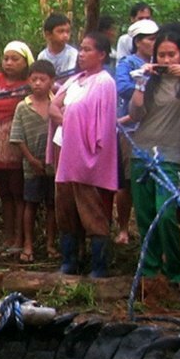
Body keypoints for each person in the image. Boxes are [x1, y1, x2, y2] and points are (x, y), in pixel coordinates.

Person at [127, 25, 180, 287]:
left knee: (165, 213)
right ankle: (150, 267)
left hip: (171, 154)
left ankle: (175, 268)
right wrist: (141, 82)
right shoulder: (149, 80)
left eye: (172, 55)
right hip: (142, 151)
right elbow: (135, 114)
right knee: (144, 214)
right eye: (161, 55)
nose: (166, 61)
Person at [49, 32, 117, 277]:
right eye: (81, 49)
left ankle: (99, 265)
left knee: (90, 208)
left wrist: (68, 116)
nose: (81, 54)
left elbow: (100, 123)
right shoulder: (75, 80)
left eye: (88, 49)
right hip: (64, 150)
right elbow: (54, 107)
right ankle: (70, 261)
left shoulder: (104, 82)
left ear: (101, 54)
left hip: (87, 155)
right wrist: (67, 116)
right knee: (65, 206)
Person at [114, 18, 160, 246]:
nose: (154, 42)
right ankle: (123, 227)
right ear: (138, 42)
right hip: (130, 129)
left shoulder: (161, 62)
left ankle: (151, 230)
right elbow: (122, 87)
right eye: (150, 39)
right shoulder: (127, 63)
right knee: (127, 180)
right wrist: (148, 94)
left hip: (156, 129)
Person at [0, 41, 33, 255]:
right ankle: (7, 237)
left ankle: (20, 239)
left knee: (18, 193)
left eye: (15, 59)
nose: (9, 63)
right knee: (4, 192)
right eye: (6, 58)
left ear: (26, 61)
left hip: (18, 144)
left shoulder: (30, 83)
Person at [9, 60, 57, 263]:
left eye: (42, 79)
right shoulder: (22, 106)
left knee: (52, 205)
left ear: (52, 82)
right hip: (31, 166)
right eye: (34, 79)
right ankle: (28, 244)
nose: (38, 83)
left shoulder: (57, 104)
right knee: (31, 204)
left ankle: (51, 244)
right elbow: (17, 138)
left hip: (55, 166)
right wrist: (31, 159)